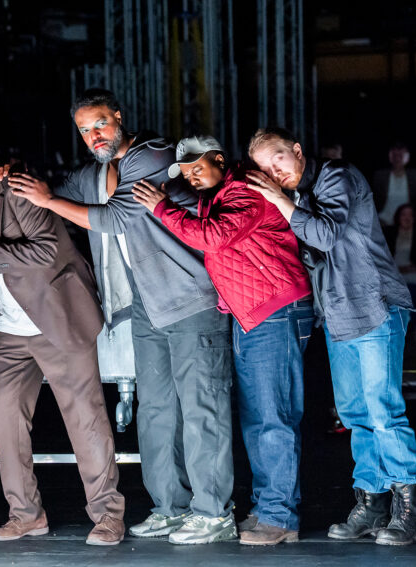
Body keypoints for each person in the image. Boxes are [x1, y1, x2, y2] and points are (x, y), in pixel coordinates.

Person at [8, 89, 235, 545]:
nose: (94, 135)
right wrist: (8, 180)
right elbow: (48, 193)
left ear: (119, 116)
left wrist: (50, 201)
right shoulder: (98, 172)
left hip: (191, 300)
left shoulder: (154, 155)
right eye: (84, 130)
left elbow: (114, 219)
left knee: (201, 409)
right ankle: (170, 507)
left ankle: (214, 512)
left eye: (100, 124)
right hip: (147, 305)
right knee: (156, 411)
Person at [0, 135, 126, 546]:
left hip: (58, 320)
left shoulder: (17, 189)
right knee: (2, 412)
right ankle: (26, 514)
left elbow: (48, 252)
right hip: (8, 330)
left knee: (85, 419)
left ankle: (108, 515)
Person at [131, 136, 314, 545]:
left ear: (219, 159)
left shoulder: (245, 191)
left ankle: (280, 518)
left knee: (273, 418)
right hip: (253, 314)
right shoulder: (216, 195)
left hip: (274, 309)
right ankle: (269, 507)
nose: (193, 177)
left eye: (199, 168)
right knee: (258, 419)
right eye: (186, 172)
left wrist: (159, 208)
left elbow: (211, 238)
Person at [247, 127, 416, 546]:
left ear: (296, 150)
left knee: (383, 411)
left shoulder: (336, 176)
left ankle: (409, 510)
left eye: (278, 161)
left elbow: (325, 234)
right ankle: (371, 503)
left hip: (375, 304)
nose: (274, 174)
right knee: (355, 415)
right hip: (339, 315)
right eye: (264, 171)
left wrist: (278, 201)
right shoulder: (300, 198)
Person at [372, 142, 416, 227]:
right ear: (390, 157)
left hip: (407, 223)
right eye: (394, 155)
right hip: (383, 222)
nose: (397, 158)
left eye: (401, 155)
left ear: (407, 158)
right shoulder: (379, 176)